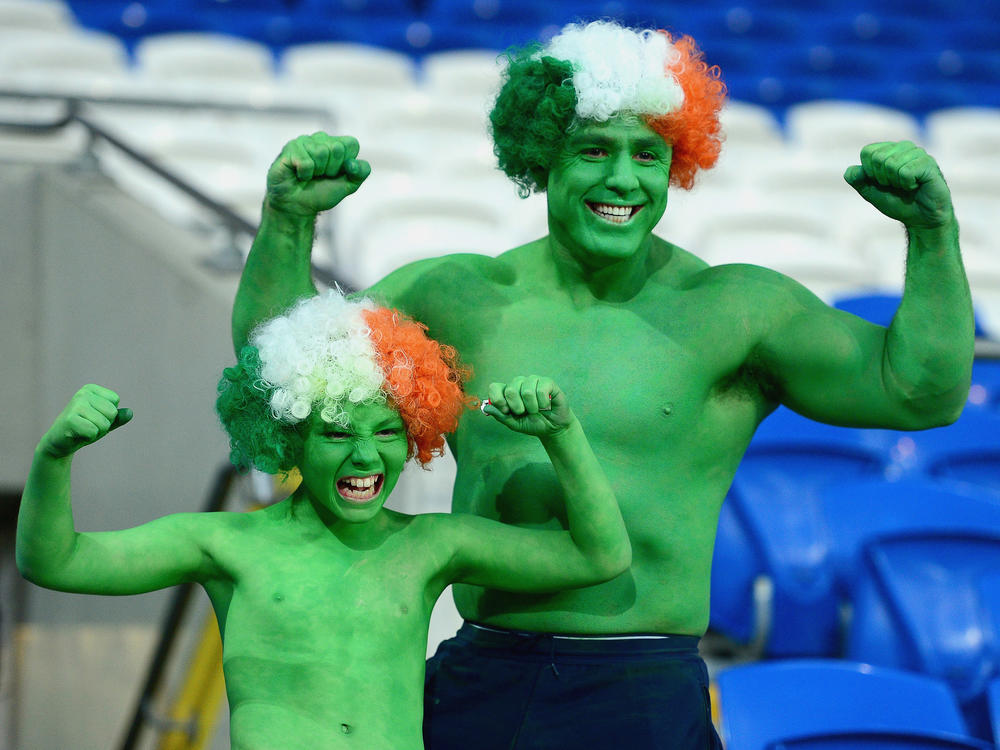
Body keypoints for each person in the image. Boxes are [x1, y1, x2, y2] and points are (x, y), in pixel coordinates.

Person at [231, 20, 975, 750]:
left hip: (644, 687)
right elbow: (285, 371)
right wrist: (289, 225)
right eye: (594, 149)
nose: (623, 179)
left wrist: (934, 234)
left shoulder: (737, 308)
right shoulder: (457, 295)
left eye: (647, 155)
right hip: (483, 677)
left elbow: (920, 394)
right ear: (543, 157)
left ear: (675, 164)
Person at [15, 290, 630, 750]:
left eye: (388, 431)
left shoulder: (433, 543)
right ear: (288, 439)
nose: (366, 456)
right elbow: (55, 561)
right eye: (337, 433)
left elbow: (598, 557)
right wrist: (53, 457)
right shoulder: (225, 543)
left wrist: (563, 436)